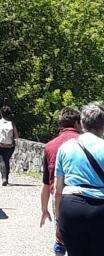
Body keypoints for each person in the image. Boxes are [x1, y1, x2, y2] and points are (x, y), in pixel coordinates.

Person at [55, 102, 104, 256]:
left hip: (70, 208)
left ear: (82, 124)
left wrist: (58, 221)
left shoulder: (65, 147)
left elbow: (58, 189)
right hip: (99, 210)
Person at [40, 106, 81, 255]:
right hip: (82, 197)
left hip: (59, 197)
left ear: (60, 124)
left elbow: (46, 183)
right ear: (77, 123)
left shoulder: (50, 146)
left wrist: (44, 209)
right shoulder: (87, 143)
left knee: (61, 236)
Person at [0, 106, 19, 185]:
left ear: (1, 113)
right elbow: (16, 136)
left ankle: (4, 178)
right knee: (6, 161)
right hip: (10, 146)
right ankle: (6, 177)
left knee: (2, 161)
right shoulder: (11, 123)